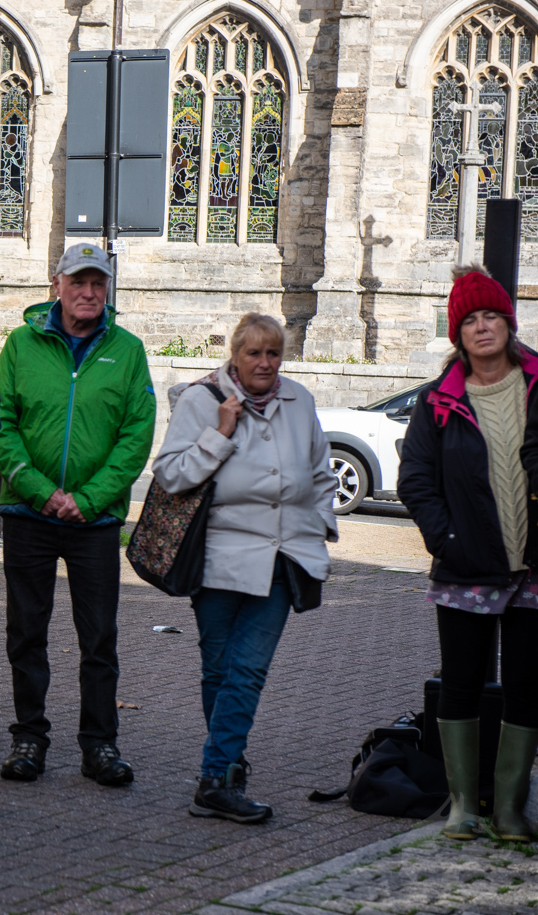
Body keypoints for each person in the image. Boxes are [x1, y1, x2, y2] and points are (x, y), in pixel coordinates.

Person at [153, 312, 335, 824]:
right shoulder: (203, 400)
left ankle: (215, 779)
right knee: (219, 671)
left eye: (273, 353)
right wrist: (221, 434)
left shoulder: (299, 400)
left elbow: (321, 473)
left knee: (247, 671)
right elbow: (170, 475)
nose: (265, 362)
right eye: (254, 353)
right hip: (217, 560)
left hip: (282, 558)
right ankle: (228, 766)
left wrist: (318, 525)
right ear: (235, 355)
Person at [0, 244, 155, 787]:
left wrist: (87, 499)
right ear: (56, 285)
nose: (88, 293)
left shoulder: (127, 350)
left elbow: (136, 436)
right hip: (28, 514)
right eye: (78, 282)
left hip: (95, 522)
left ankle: (100, 744)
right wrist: (39, 491)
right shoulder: (21, 344)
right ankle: (29, 737)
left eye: (98, 283)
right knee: (26, 633)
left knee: (99, 638)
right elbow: (0, 421)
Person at [403, 266, 538, 841]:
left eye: (491, 316)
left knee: (529, 688)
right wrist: (447, 540)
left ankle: (509, 810)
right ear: (457, 334)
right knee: (460, 682)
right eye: (470, 320)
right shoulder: (438, 401)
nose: (483, 327)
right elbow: (416, 481)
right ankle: (463, 806)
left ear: (509, 323)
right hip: (466, 568)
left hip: (533, 568)